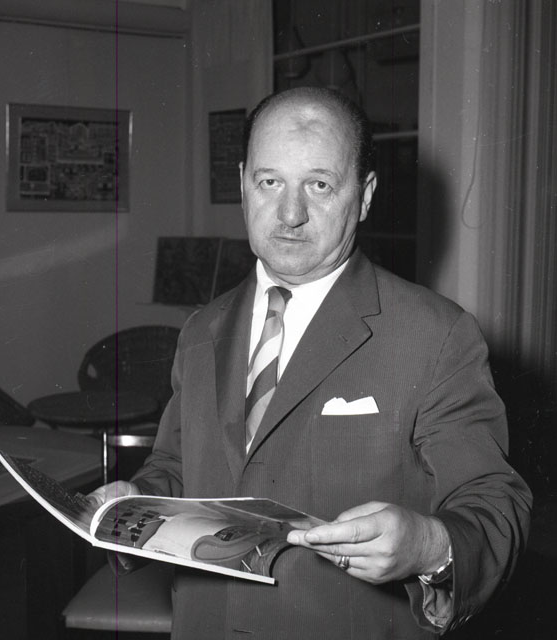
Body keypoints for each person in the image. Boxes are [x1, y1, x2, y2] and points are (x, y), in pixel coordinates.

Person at [90, 87, 531, 639]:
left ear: (364, 196)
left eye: (319, 185)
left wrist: (429, 546)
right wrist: (137, 500)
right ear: (244, 184)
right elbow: (178, 466)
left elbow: (494, 504)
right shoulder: (202, 329)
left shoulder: (437, 334)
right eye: (269, 182)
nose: (290, 214)